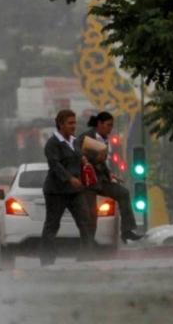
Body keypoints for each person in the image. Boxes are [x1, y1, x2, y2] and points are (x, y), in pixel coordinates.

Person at [76, 112, 143, 243]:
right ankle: (86, 249)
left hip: (101, 180)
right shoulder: (85, 138)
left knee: (123, 193)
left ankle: (127, 231)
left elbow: (101, 162)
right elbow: (75, 153)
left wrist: (109, 174)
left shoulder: (105, 140)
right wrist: (87, 158)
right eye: (108, 125)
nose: (110, 129)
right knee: (91, 217)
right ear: (99, 124)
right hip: (88, 183)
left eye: (112, 126)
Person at [41, 109, 94, 266]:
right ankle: (47, 260)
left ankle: (86, 257)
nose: (73, 126)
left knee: (85, 221)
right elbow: (55, 165)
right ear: (60, 124)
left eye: (74, 122)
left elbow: (78, 155)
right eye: (70, 123)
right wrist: (70, 178)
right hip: (56, 191)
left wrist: (84, 160)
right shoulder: (52, 144)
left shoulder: (74, 141)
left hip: (75, 192)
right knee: (52, 225)